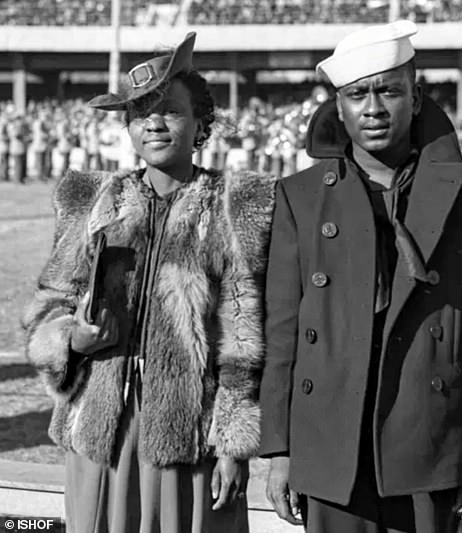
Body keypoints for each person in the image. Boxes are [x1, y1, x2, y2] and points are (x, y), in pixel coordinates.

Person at [259, 20, 462, 533]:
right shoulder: (300, 196)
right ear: (339, 107)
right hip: (330, 441)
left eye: (389, 91)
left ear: (416, 96)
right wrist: (280, 452)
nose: (373, 108)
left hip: (428, 439)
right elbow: (283, 334)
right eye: (357, 95)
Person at [22, 32, 274, 533]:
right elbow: (48, 306)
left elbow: (243, 337)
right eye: (140, 114)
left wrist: (232, 442)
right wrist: (70, 337)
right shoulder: (93, 202)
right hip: (101, 432)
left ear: (201, 123)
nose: (154, 123)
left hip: (189, 434)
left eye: (169, 110)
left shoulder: (233, 207)